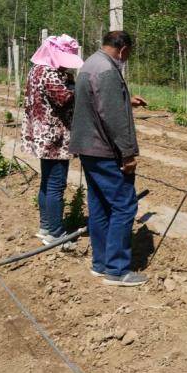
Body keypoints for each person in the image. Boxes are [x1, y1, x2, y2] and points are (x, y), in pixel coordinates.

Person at [70, 30, 149, 287]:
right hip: (104, 149)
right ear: (123, 49)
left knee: (100, 205)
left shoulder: (89, 64)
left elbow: (99, 103)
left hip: (87, 147)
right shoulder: (108, 70)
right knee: (124, 205)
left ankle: (101, 263)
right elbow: (113, 118)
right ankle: (116, 269)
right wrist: (127, 154)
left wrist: (127, 102)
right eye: (128, 55)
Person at [21, 34, 84, 246]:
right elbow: (63, 99)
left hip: (42, 134)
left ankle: (46, 226)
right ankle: (56, 234)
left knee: (47, 182)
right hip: (54, 136)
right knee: (56, 184)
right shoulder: (49, 72)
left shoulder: (36, 70)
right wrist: (79, 87)